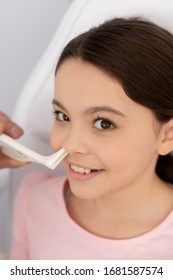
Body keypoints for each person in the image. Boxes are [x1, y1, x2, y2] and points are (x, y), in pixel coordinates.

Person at [10, 17, 173, 260]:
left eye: (103, 123)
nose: (70, 145)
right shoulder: (34, 199)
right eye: (62, 116)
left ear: (167, 136)